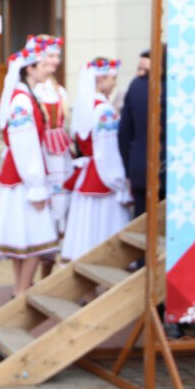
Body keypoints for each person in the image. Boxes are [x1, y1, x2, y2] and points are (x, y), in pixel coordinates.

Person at [0, 36, 60, 296]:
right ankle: (21, 291)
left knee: (24, 241)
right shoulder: (22, 100)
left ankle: (20, 289)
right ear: (30, 68)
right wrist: (36, 185)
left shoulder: (25, 96)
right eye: (43, 64)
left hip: (21, 177)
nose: (49, 67)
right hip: (24, 179)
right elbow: (24, 145)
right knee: (37, 239)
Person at [60, 58, 132, 261]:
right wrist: (119, 182)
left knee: (87, 226)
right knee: (103, 225)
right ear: (100, 80)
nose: (115, 82)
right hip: (104, 175)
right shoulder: (104, 111)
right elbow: (108, 150)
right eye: (112, 78)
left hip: (88, 172)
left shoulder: (85, 106)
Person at [31, 36, 72, 276]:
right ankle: (41, 269)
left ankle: (52, 267)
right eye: (51, 56)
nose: (55, 61)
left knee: (60, 209)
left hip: (60, 155)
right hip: (42, 154)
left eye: (57, 56)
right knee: (43, 212)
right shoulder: (33, 90)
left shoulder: (59, 90)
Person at [118, 48, 166, 217]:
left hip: (140, 168)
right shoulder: (176, 89)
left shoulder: (136, 87)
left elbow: (124, 134)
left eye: (144, 70)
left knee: (142, 224)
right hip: (169, 169)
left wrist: (128, 168)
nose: (140, 74)